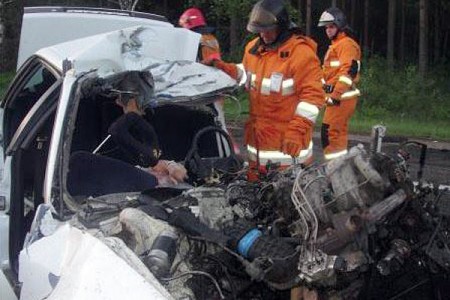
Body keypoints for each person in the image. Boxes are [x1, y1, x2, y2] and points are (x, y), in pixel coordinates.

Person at [202, 0, 325, 179]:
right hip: (257, 149)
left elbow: (313, 97)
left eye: (267, 30)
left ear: (281, 27)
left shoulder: (301, 54)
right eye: (259, 30)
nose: (263, 34)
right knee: (254, 200)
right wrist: (223, 67)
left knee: (286, 200)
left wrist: (297, 130)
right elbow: (247, 75)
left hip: (287, 151)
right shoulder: (253, 49)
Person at [108, 71, 188, 185]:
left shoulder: (150, 124)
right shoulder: (129, 125)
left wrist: (167, 165)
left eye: (120, 96)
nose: (117, 101)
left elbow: (159, 159)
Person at [318, 7, 362, 161]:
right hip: (339, 97)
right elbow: (330, 74)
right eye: (326, 27)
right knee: (337, 134)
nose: (328, 30)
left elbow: (349, 71)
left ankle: (334, 170)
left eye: (331, 26)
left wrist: (335, 95)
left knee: (330, 133)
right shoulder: (337, 45)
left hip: (342, 98)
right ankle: (341, 170)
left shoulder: (346, 44)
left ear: (339, 25)